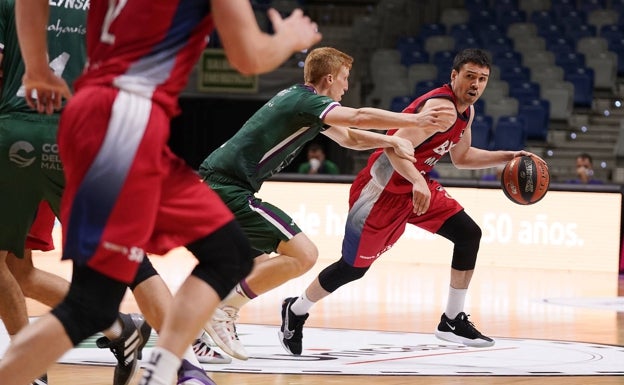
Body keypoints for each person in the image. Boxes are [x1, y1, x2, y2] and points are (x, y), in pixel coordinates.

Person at [5, 1, 321, 385]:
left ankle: (169, 367)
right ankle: (168, 368)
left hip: (84, 113)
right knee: (228, 253)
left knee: (92, 302)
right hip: (126, 118)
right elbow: (250, 57)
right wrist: (289, 38)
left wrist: (37, 68)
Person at [0, 1, 231, 383]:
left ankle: (99, 338)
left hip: (20, 131)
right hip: (85, 136)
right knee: (34, 267)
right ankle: (180, 362)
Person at [198, 46, 457, 360]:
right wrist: (416, 120)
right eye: (344, 79)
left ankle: (197, 331)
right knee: (304, 254)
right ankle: (224, 312)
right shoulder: (307, 100)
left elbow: (351, 137)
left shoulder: (301, 103)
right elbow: (360, 117)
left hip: (218, 185)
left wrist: (390, 139)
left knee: (249, 264)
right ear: (330, 78)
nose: (346, 87)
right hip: (227, 188)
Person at [279, 48, 542, 355]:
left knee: (468, 234)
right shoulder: (441, 110)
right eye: (470, 76)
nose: (476, 84)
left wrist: (508, 157)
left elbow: (462, 157)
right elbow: (392, 150)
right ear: (454, 76)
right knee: (352, 269)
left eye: (483, 79)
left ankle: (452, 319)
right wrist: (417, 180)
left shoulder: (465, 112)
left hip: (417, 187)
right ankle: (296, 310)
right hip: (381, 190)